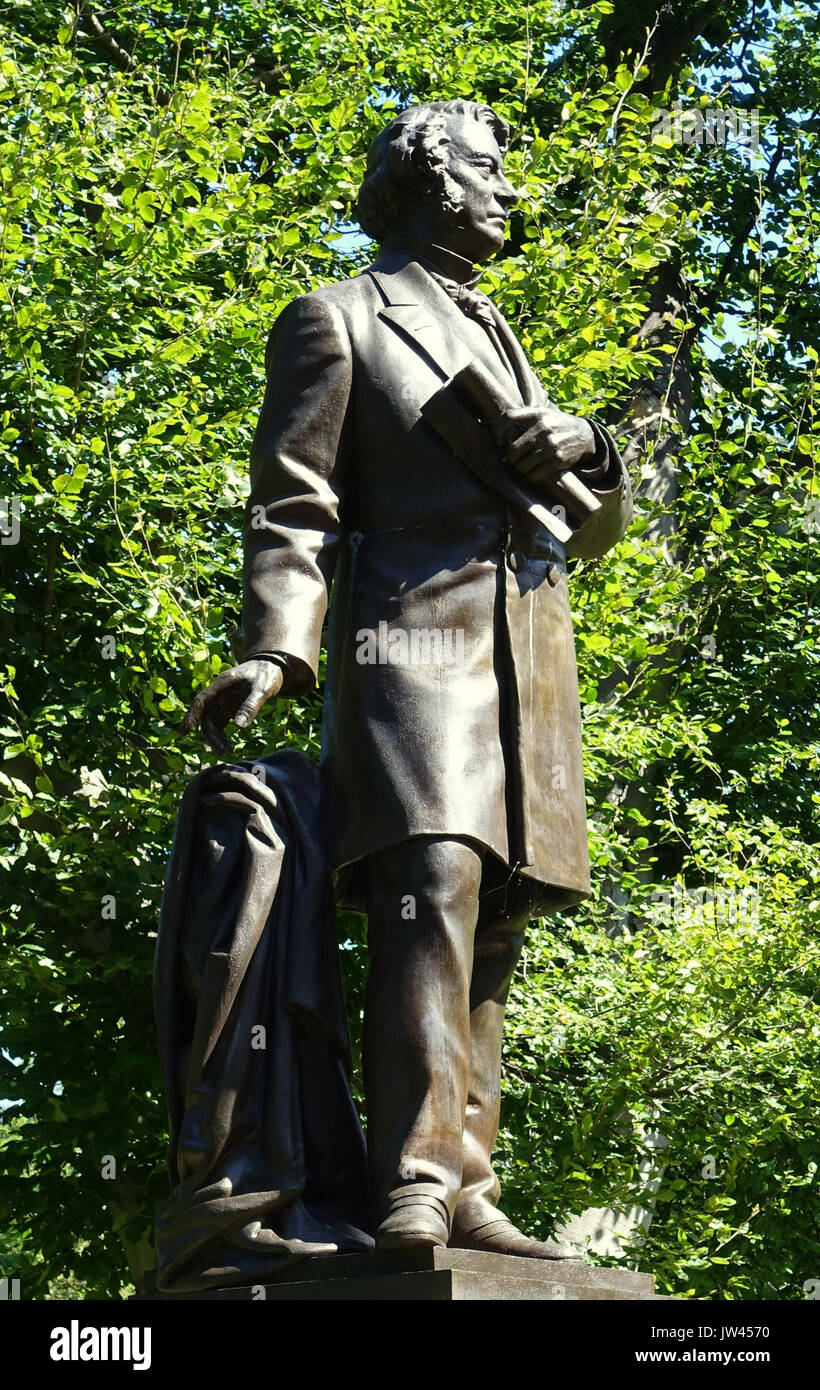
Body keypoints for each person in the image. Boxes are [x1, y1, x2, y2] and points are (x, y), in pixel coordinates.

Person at [184, 100, 632, 1259]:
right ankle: (414, 1184)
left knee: (492, 919)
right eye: (488, 171)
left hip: (525, 667)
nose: (508, 192)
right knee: (428, 884)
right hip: (410, 653)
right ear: (429, 181)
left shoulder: (498, 327)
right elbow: (295, 505)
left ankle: (468, 1183)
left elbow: (587, 533)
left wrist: (589, 444)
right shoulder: (339, 320)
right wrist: (277, 647)